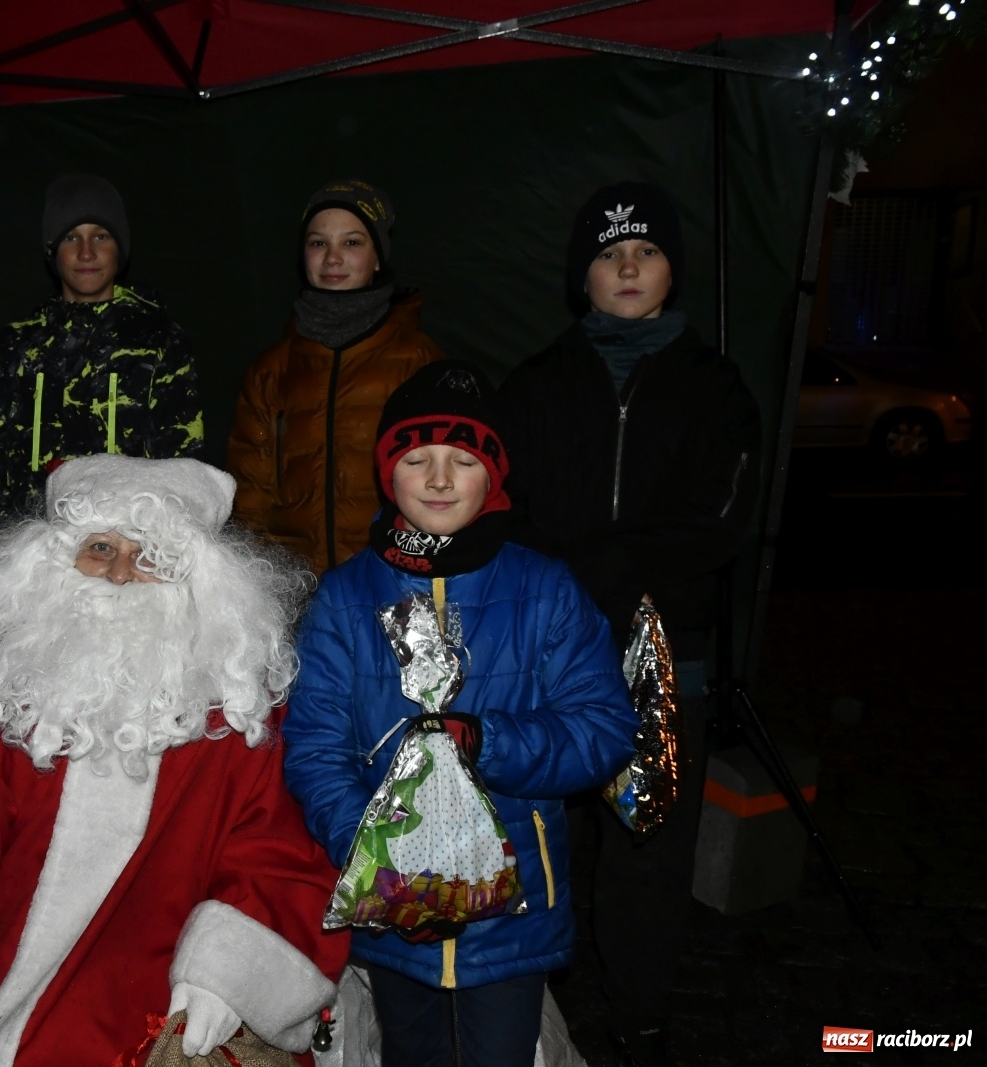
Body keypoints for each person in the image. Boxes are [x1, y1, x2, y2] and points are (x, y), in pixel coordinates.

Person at [0, 454, 349, 1066]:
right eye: (101, 548)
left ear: (200, 581)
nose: (120, 575)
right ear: (52, 568)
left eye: (152, 556)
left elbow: (281, 860)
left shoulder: (238, 721)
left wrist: (227, 975)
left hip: (162, 990)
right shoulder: (4, 699)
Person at [282, 362, 637, 1067]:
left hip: (514, 909)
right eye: (417, 459)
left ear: (494, 476)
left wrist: (491, 739)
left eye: (463, 460)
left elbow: (603, 726)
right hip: (392, 912)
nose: (440, 480)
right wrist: (381, 846)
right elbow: (314, 745)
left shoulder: (545, 590)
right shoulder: (345, 598)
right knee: (409, 1052)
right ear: (389, 472)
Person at [495, 182, 761, 1067]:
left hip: (663, 652)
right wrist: (567, 590)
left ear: (671, 267)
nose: (629, 268)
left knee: (646, 841)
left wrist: (608, 568)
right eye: (610, 255)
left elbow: (718, 519)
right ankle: (543, 995)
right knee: (549, 828)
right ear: (584, 276)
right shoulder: (534, 384)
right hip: (553, 652)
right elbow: (505, 512)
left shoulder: (714, 385)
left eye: (645, 251)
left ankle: (641, 1014)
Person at [227, 179, 444, 573]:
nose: (332, 258)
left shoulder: (420, 361)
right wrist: (254, 584)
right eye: (318, 243)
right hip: (294, 593)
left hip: (391, 583)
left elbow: (443, 487)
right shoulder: (271, 371)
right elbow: (248, 499)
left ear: (378, 256)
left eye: (352, 242)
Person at [0, 173, 204, 518]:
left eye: (100, 236)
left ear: (120, 248)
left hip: (125, 548)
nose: (86, 252)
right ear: (52, 251)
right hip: (25, 552)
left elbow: (181, 469)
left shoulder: (160, 342)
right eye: (72, 237)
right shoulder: (14, 347)